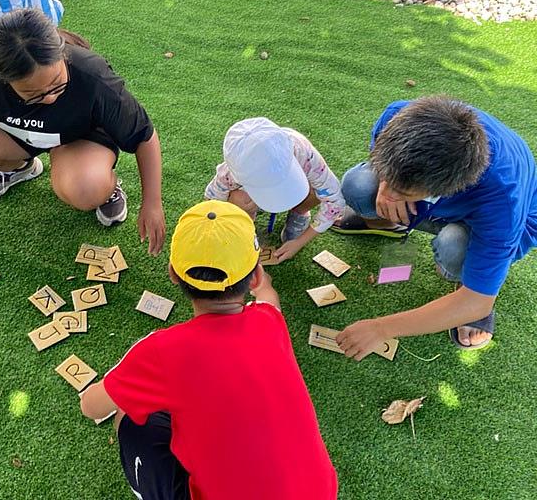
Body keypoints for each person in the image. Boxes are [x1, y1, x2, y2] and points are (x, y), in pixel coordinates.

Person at [79, 200, 338, 500]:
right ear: (253, 277)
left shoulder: (162, 351)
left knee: (129, 416)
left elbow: (91, 406)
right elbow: (268, 296)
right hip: (319, 493)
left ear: (173, 274)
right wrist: (263, 283)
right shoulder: (269, 321)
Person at [0, 8, 166, 255]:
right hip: (17, 132)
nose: (49, 99)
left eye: (57, 84)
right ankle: (18, 167)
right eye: (33, 94)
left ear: (62, 55)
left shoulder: (94, 77)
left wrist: (152, 203)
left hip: (80, 138)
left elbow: (145, 137)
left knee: (85, 188)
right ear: (1, 77)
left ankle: (107, 188)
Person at [333, 97, 537, 356]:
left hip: (500, 220)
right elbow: (381, 160)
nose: (391, 196)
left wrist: (381, 329)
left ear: (444, 192)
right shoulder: (398, 116)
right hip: (446, 189)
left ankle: (464, 280)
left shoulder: (502, 200)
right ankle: (386, 222)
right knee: (359, 186)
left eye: (403, 191)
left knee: (454, 248)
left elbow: (477, 302)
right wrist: (386, 184)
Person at [204, 117, 345, 262]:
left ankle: (299, 212)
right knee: (238, 199)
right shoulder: (228, 175)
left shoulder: (301, 150)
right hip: (250, 199)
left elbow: (334, 200)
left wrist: (299, 242)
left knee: (319, 186)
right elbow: (212, 206)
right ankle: (246, 226)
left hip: (304, 189)